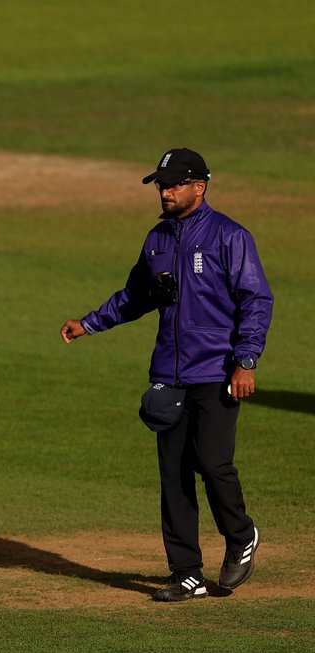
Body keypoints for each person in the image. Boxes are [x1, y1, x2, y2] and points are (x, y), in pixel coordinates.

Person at [60, 148, 273, 602]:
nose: (166, 190)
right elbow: (136, 295)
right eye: (162, 184)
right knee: (174, 475)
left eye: (175, 183)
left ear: (200, 186)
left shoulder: (230, 237)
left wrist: (246, 360)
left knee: (213, 465)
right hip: (170, 373)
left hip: (217, 372)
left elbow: (256, 301)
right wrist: (90, 323)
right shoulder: (157, 239)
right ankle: (186, 573)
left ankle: (241, 536)